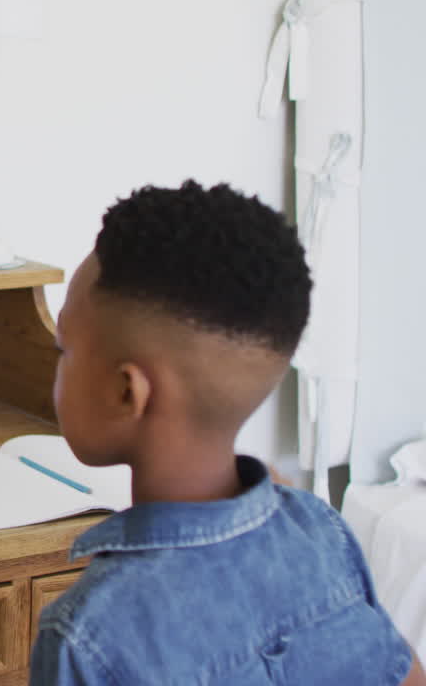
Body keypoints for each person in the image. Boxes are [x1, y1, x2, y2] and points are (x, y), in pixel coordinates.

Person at [31, 181, 425, 685]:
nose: (56, 363)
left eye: (65, 348)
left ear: (127, 391)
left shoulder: (89, 633)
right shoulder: (319, 530)